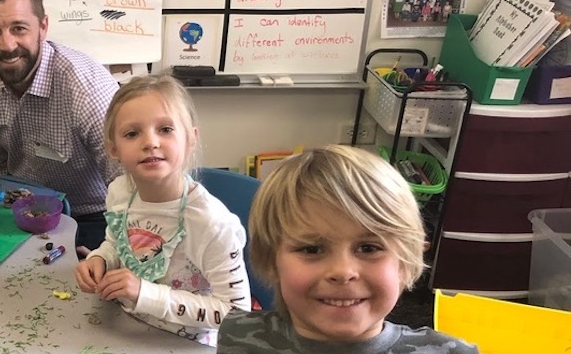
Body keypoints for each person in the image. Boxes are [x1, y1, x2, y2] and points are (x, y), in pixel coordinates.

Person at [217, 145, 478, 353]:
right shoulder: (238, 337)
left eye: (368, 247)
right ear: (272, 260)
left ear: (405, 262)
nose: (343, 272)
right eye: (311, 249)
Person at [75, 75, 251, 346]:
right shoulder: (119, 192)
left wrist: (146, 293)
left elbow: (238, 314)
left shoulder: (211, 224)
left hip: (187, 344)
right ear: (113, 149)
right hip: (124, 329)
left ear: (190, 139)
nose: (150, 142)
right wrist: (101, 258)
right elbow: (117, 241)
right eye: (132, 133)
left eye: (166, 129)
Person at [0, 0, 120, 253]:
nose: (7, 45)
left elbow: (128, 186)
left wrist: (113, 252)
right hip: (21, 210)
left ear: (43, 27)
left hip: (92, 216)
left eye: (19, 28)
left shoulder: (86, 89)